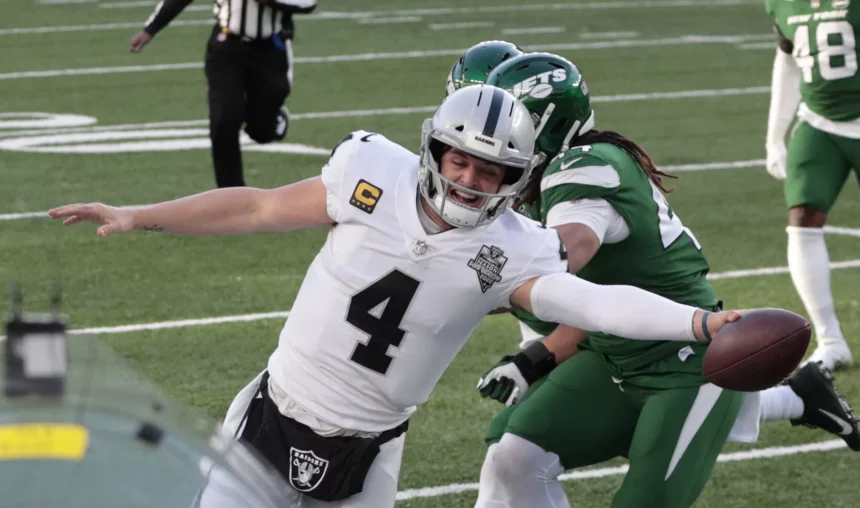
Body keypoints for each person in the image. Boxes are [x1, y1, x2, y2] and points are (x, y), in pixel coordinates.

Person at [49, 85, 740, 508]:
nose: (470, 178)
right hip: (272, 419)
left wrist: (699, 321)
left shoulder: (516, 246)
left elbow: (596, 305)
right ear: (433, 151)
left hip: (369, 450)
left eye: (490, 168)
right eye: (458, 159)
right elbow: (257, 208)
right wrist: (141, 214)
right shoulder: (368, 176)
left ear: (517, 175)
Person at [439, 53, 860, 508]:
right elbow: (588, 303)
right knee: (512, 460)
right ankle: (800, 396)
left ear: (544, 126)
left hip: (686, 365)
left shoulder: (582, 167)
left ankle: (794, 396)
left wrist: (459, 276)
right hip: (610, 356)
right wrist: (534, 357)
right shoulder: (529, 179)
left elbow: (562, 258)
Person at [130, 0, 317, 188]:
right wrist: (150, 29)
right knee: (223, 119)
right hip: (227, 45)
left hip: (271, 49)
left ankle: (274, 118)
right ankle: (230, 192)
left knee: (262, 131)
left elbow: (307, 3)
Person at [764, 0, 859, 370]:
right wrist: (775, 135)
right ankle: (830, 340)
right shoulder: (782, 3)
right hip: (820, 122)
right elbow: (787, 59)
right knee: (802, 219)